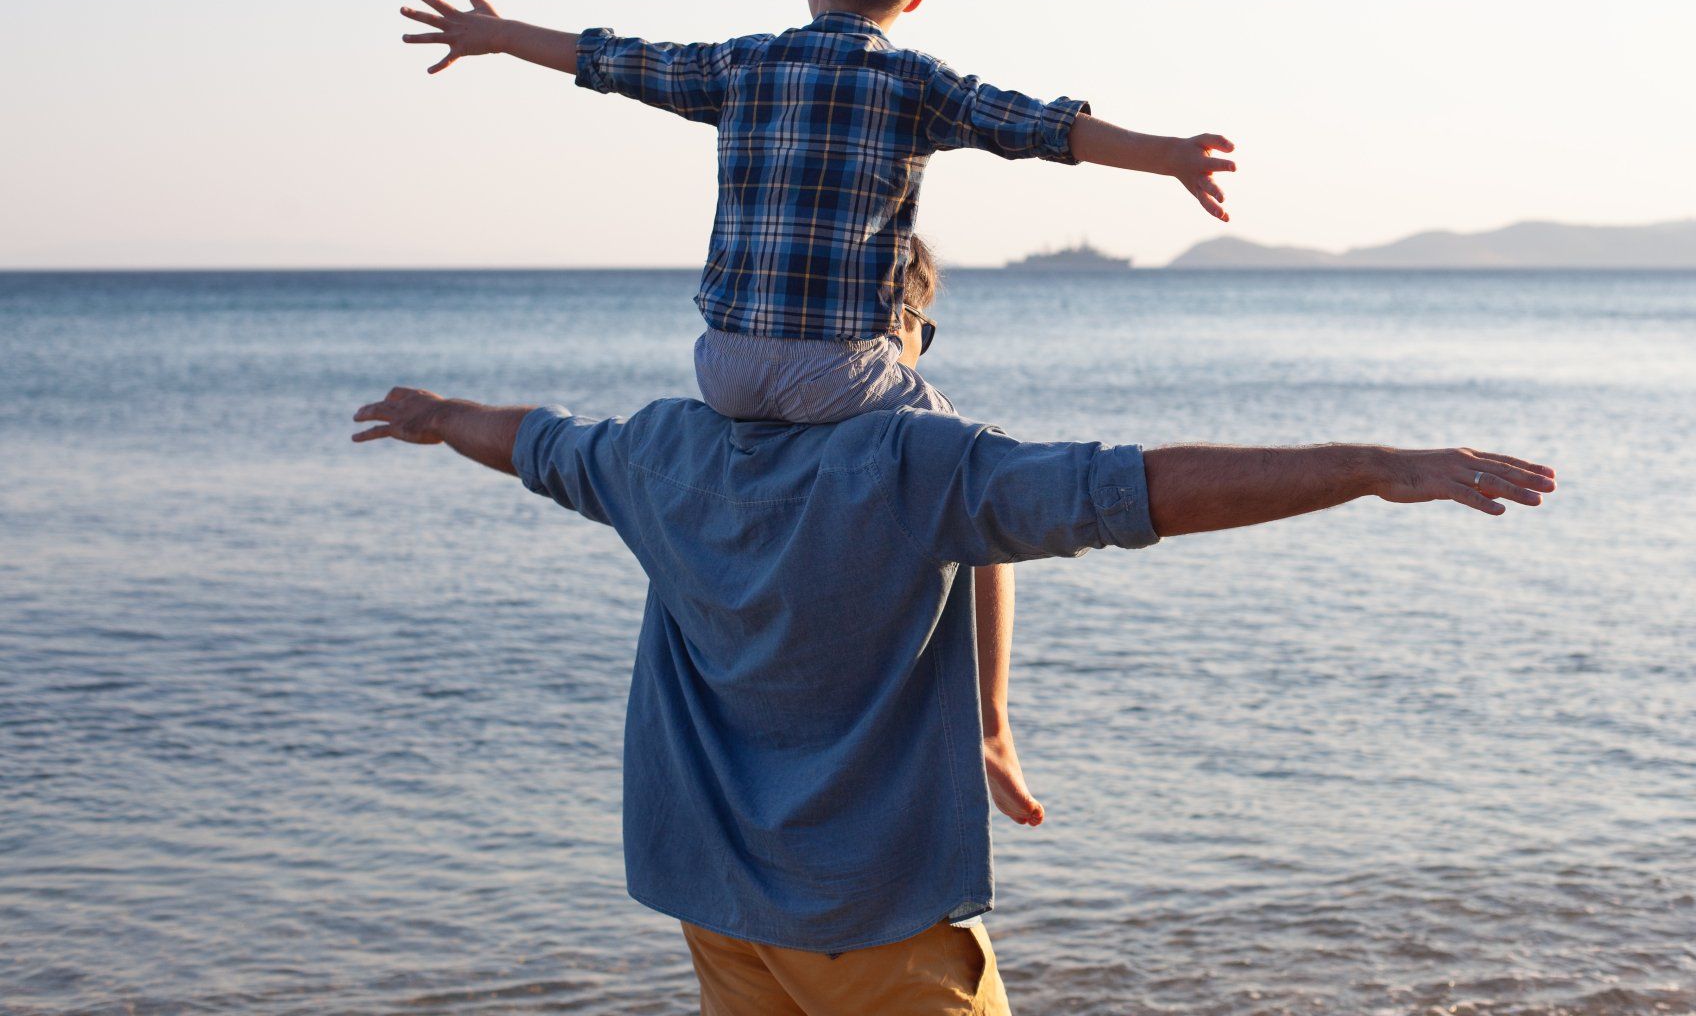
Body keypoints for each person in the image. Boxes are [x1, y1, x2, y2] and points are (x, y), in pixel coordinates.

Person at [350, 249, 1557, 1016]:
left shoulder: (662, 446)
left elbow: (539, 441)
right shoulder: (911, 456)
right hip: (873, 919)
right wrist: (1362, 464)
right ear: (889, 331)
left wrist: (438, 410)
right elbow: (1121, 490)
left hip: (717, 907)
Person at [396, 0, 1240, 827]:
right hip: (836, 372)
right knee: (976, 484)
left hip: (724, 366)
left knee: (864, 430)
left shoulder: (742, 65)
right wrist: (1168, 153)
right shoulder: (917, 83)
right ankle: (992, 725)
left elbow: (614, 60)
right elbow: (1044, 128)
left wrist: (504, 36)